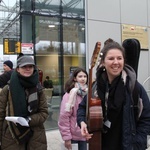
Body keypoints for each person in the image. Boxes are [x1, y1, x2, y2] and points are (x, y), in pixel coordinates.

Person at [77, 41, 150, 150]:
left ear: (124, 61)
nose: (116, 62)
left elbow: (146, 119)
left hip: (127, 145)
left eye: (119, 58)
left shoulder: (134, 87)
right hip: (101, 144)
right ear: (103, 62)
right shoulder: (96, 87)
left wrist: (137, 143)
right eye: (111, 59)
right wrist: (82, 122)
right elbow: (83, 107)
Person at [0, 55, 49, 150]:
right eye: (24, 67)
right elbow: (1, 114)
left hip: (35, 137)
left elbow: (44, 113)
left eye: (30, 66)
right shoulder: (8, 89)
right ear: (17, 69)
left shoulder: (39, 88)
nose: (27, 69)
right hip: (11, 136)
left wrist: (28, 120)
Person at [58, 67, 88, 150]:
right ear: (75, 78)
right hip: (73, 136)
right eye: (80, 76)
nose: (83, 79)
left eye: (85, 76)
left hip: (85, 134)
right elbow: (64, 117)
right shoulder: (70, 95)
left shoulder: (88, 93)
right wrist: (67, 137)